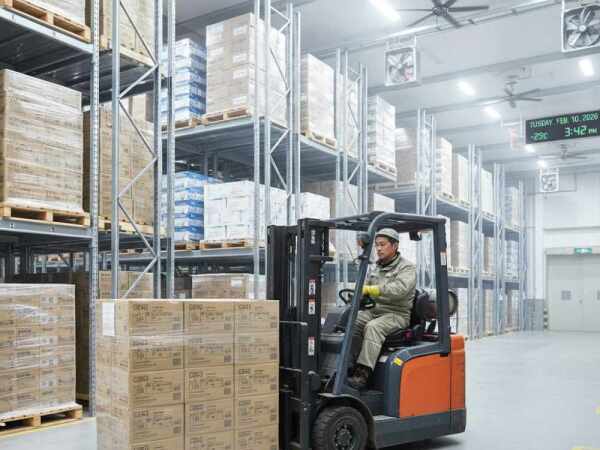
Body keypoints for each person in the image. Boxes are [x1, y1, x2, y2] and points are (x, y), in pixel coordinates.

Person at [347, 228, 416, 390]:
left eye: (382, 245)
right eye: (377, 245)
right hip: (375, 311)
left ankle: (362, 374)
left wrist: (373, 290)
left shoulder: (407, 268)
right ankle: (348, 364)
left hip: (397, 314)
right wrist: (358, 295)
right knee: (352, 320)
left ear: (394, 246)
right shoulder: (376, 268)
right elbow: (366, 288)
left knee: (373, 327)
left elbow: (400, 290)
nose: (378, 248)